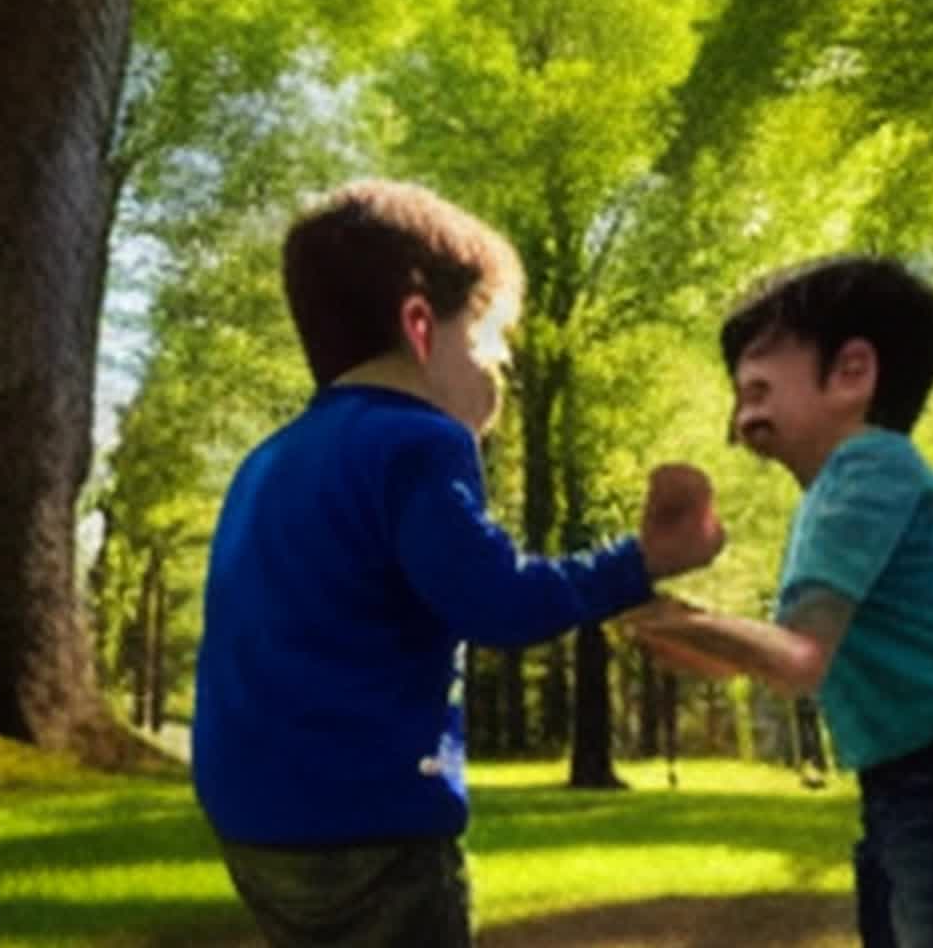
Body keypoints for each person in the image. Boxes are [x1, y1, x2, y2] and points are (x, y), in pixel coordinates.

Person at [192, 179, 725, 947]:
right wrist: (640, 561)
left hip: (254, 822)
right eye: (488, 336)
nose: (502, 361)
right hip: (370, 823)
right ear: (419, 326)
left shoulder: (267, 463)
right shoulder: (419, 441)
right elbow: (497, 603)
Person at [626, 255, 933, 947]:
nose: (740, 421)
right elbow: (759, 663)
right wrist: (641, 613)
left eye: (759, 390)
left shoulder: (867, 467)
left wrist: (681, 619)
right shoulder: (841, 492)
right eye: (739, 399)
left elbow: (797, 660)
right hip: (916, 773)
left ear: (851, 373)